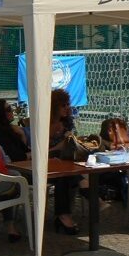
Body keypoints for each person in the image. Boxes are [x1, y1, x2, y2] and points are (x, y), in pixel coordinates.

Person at [49, 88, 81, 235]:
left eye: (68, 104)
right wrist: (58, 145)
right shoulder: (45, 122)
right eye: (63, 105)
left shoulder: (67, 122)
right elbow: (39, 148)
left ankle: (62, 216)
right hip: (48, 161)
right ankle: (64, 215)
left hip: (66, 160)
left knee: (66, 174)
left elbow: (73, 141)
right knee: (65, 175)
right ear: (54, 106)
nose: (67, 107)